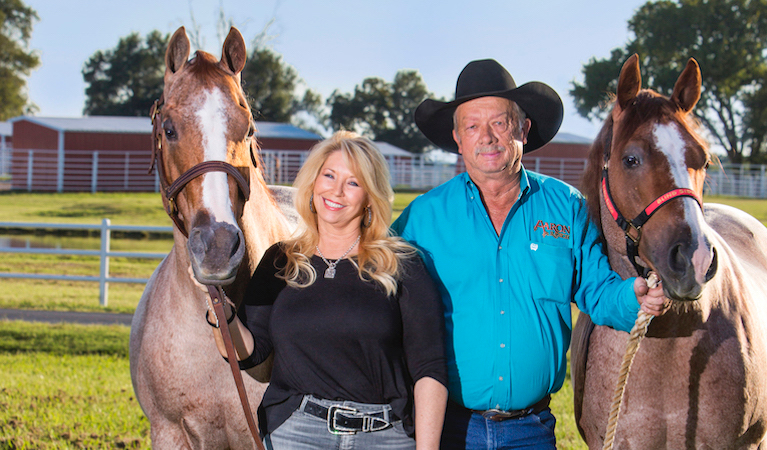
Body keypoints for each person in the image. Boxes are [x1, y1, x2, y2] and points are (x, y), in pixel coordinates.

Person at [391, 59, 670, 449]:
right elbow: (377, 295)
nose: (486, 137)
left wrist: (632, 298)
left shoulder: (566, 206)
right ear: (458, 139)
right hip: (447, 427)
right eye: (472, 126)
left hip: (531, 429)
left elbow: (597, 288)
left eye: (499, 123)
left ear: (523, 128)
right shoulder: (422, 218)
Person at [207, 130, 449, 449]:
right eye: (329, 175)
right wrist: (220, 316)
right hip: (296, 432)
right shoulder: (280, 261)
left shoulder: (402, 265)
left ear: (369, 197)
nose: (336, 190)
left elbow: (429, 370)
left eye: (353, 182)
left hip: (385, 436)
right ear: (313, 182)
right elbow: (252, 353)